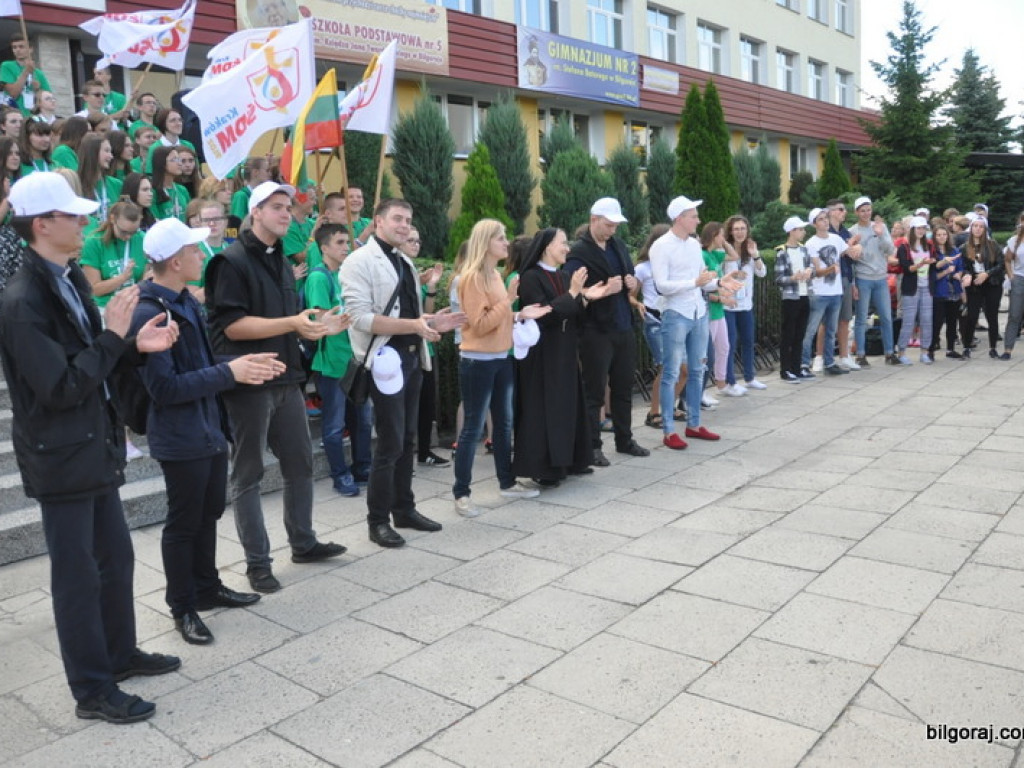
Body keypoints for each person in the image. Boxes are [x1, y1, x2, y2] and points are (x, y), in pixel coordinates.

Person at [0, 171, 181, 724]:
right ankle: (92, 688)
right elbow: (59, 387)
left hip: (92, 444)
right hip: (60, 453)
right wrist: (114, 335)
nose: (84, 222)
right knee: (77, 576)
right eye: (73, 215)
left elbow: (91, 358)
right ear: (42, 224)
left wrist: (132, 343)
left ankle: (120, 653)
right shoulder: (21, 299)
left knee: (116, 557)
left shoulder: (68, 274)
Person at [131, 218, 273, 645]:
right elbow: (164, 388)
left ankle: (207, 587)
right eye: (194, 251)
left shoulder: (185, 301)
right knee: (184, 522)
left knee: (208, 512)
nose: (202, 255)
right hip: (181, 435)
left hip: (207, 428)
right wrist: (229, 372)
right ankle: (183, 606)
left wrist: (228, 379)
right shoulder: (150, 312)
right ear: (175, 261)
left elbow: (201, 369)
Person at [205, 180, 348, 591]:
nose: (287, 213)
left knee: (301, 465)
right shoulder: (229, 262)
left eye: (288, 206)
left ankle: (303, 542)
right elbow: (231, 325)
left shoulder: (283, 262)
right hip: (249, 381)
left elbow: (290, 326)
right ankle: (257, 563)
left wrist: (318, 327)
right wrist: (292, 323)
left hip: (287, 378)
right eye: (277, 206)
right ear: (256, 213)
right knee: (248, 475)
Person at [339, 198, 465, 547]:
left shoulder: (405, 261)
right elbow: (360, 317)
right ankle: (377, 520)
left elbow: (412, 313)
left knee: (407, 439)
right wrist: (413, 323)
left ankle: (404, 509)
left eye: (408, 220)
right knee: (390, 443)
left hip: (412, 359)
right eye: (397, 218)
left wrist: (432, 321)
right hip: (383, 363)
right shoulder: (358, 261)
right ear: (377, 221)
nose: (404, 225)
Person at [450, 219, 551, 516]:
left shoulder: (494, 274)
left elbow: (498, 316)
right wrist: (508, 302)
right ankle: (462, 493)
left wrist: (519, 314)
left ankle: (506, 483)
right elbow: (479, 325)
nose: (506, 243)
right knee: (472, 428)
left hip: (500, 357)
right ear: (486, 243)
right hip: (477, 361)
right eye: (500, 238)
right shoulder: (471, 278)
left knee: (504, 424)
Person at [514, 227, 613, 483]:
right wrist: (574, 294)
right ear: (547, 246)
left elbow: (571, 313)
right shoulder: (530, 278)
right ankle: (546, 468)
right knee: (547, 409)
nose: (567, 248)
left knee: (569, 404)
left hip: (565, 349)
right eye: (563, 243)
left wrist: (586, 298)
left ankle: (572, 460)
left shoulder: (562, 275)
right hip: (544, 354)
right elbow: (545, 315)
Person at [566, 197, 648, 466]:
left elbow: (632, 285)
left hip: (623, 325)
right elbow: (572, 293)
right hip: (595, 330)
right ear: (594, 220)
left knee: (624, 387)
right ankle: (592, 446)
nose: (612, 230)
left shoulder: (619, 246)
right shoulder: (578, 252)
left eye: (615, 225)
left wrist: (631, 283)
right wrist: (602, 292)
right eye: (608, 225)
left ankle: (624, 439)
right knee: (594, 391)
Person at [650, 196, 737, 448]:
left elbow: (704, 280)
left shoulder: (693, 245)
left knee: (698, 370)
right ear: (679, 218)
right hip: (676, 313)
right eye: (693, 216)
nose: (698, 220)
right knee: (672, 372)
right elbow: (662, 286)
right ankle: (668, 430)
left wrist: (720, 282)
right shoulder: (661, 246)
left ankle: (694, 425)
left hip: (699, 312)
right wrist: (696, 283)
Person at [306, 222, 368, 496]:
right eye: (340, 242)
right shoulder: (319, 277)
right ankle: (340, 475)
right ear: (324, 247)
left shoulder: (346, 273)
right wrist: (338, 319)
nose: (346, 247)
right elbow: (320, 318)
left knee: (363, 419)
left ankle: (362, 468)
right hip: (332, 362)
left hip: (355, 358)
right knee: (334, 424)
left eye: (347, 242)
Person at [409, 226, 450, 468]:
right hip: (407, 347)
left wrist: (432, 287)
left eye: (418, 240)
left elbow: (428, 312)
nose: (415, 244)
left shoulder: (416, 274)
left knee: (427, 404)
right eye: (411, 240)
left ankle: (424, 451)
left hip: (426, 347)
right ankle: (405, 460)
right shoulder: (402, 272)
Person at [635, 223, 682, 428]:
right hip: (654, 320)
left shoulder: (673, 266)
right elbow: (630, 295)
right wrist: (637, 303)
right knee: (666, 368)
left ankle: (668, 405)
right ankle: (654, 412)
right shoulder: (643, 268)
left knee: (686, 369)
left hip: (674, 318)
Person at [802, 207, 853, 376]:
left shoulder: (836, 239)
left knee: (831, 330)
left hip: (835, 291)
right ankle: (804, 363)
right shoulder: (811, 243)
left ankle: (830, 362)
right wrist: (830, 269)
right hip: (819, 292)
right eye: (821, 219)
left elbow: (849, 253)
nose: (825, 221)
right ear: (814, 224)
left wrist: (857, 247)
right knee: (811, 329)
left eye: (826, 218)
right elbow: (816, 270)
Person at [722, 214, 768, 393]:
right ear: (730, 231)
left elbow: (762, 273)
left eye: (742, 228)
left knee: (748, 341)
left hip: (746, 304)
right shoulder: (725, 250)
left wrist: (755, 256)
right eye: (736, 229)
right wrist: (733, 276)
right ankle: (729, 382)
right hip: (729, 304)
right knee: (730, 343)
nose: (739, 232)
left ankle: (750, 377)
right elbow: (717, 275)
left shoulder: (750, 248)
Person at [851, 196, 898, 366]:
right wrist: (853, 283)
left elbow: (891, 249)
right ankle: (861, 355)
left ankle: (889, 353)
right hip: (863, 278)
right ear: (856, 212)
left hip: (880, 277)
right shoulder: (853, 231)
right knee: (861, 317)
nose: (866, 213)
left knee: (886, 316)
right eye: (862, 211)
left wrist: (881, 235)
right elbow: (852, 260)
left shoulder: (880, 227)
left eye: (868, 210)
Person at [79, 200, 146, 309]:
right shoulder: (94, 242)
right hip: (105, 306)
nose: (128, 237)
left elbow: (144, 281)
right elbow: (94, 289)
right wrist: (122, 278)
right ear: (112, 219)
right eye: (124, 231)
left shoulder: (142, 239)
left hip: (136, 305)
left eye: (133, 232)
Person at [959, 215, 1004, 359]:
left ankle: (993, 347)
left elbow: (1001, 264)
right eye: (975, 226)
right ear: (971, 228)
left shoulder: (993, 245)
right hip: (974, 285)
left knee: (992, 316)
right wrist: (967, 275)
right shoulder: (964, 247)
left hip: (992, 285)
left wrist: (987, 274)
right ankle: (966, 346)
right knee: (971, 316)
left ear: (985, 229)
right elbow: (963, 267)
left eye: (981, 226)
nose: (978, 229)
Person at [775, 216, 814, 381]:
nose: (803, 232)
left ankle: (797, 368)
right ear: (791, 231)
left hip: (805, 294)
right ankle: (785, 370)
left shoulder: (803, 249)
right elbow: (778, 278)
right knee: (788, 334)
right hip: (791, 297)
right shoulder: (782, 252)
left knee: (800, 334)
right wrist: (793, 278)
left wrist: (809, 272)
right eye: (800, 229)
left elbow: (810, 266)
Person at [700, 222, 735, 399]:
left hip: (718, 311)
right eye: (721, 235)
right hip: (710, 311)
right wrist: (723, 297)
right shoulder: (704, 255)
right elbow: (704, 289)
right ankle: (702, 391)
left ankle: (721, 383)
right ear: (714, 235)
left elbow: (734, 255)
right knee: (706, 354)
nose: (724, 238)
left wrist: (724, 243)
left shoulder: (714, 254)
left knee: (724, 347)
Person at [895, 215, 935, 364]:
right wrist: (920, 264)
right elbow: (906, 268)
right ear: (912, 229)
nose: (921, 231)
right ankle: (902, 351)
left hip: (926, 286)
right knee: (908, 321)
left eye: (923, 228)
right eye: (918, 228)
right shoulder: (904, 247)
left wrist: (936, 262)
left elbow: (934, 263)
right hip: (911, 287)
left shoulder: (929, 246)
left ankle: (925, 351)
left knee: (926, 320)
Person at [928, 223, 965, 360]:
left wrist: (959, 274)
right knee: (937, 322)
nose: (942, 237)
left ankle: (950, 349)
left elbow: (961, 267)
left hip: (954, 291)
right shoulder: (932, 252)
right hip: (939, 292)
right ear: (934, 236)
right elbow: (933, 273)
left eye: (944, 234)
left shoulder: (954, 250)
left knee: (952, 321)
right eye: (938, 235)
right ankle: (930, 350)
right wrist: (946, 269)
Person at [76, 133, 122, 222]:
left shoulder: (116, 184)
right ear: (93, 152)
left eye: (111, 151)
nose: (111, 156)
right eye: (107, 151)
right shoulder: (76, 184)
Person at [1, 34, 50, 115]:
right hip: (14, 115)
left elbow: (48, 99)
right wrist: (25, 72)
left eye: (21, 47)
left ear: (30, 49)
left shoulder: (38, 73)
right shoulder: (6, 66)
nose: (17, 50)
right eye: (14, 47)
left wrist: (38, 90)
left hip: (34, 118)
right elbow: (13, 94)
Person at [149, 146, 190, 222]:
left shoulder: (182, 189)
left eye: (179, 159)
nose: (180, 163)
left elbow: (190, 216)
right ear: (162, 163)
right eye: (174, 159)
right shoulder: (152, 192)